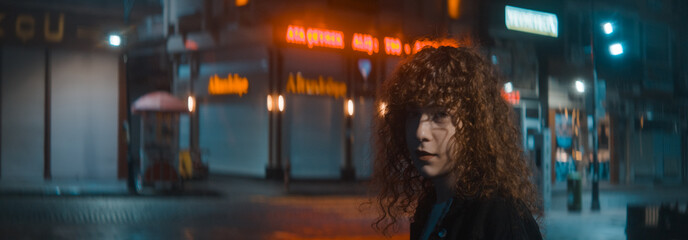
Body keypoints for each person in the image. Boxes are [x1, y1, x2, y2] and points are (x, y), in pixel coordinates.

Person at [371, 40, 543, 240]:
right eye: (412, 114)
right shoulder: (429, 206)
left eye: (440, 115)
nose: (420, 132)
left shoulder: (498, 215)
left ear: (474, 123)